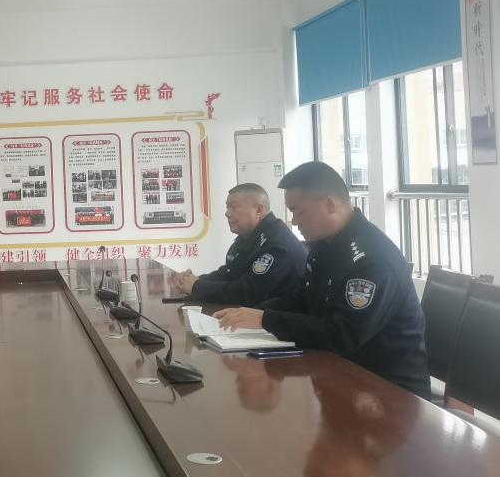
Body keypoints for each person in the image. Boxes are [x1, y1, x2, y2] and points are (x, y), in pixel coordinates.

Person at [214, 162, 429, 397]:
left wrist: (266, 319)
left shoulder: (371, 259)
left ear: (329, 205)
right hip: (340, 375)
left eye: (298, 211)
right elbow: (302, 300)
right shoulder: (325, 246)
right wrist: (253, 313)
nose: (294, 221)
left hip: (389, 393)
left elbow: (342, 335)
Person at [171, 183, 306, 305]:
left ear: (258, 210)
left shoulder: (277, 243)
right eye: (227, 207)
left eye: (234, 207)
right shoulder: (249, 236)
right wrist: (193, 280)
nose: (227, 213)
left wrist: (196, 287)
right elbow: (229, 273)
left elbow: (247, 293)